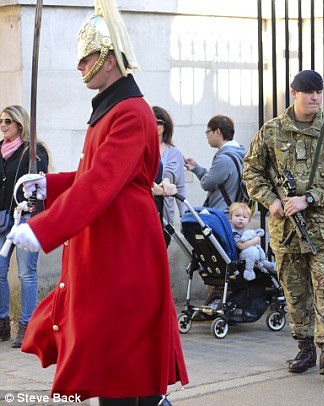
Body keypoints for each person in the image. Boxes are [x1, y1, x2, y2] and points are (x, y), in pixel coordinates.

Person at [7, 1, 188, 402]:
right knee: (111, 357)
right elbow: (95, 174)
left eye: (85, 56)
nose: (78, 64)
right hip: (110, 238)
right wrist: (48, 186)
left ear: (108, 60)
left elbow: (103, 184)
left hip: (123, 244)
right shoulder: (114, 110)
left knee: (118, 358)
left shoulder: (129, 112)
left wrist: (42, 228)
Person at [243, 70, 324, 376]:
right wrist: (271, 201)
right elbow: (252, 171)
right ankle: (304, 348)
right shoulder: (272, 130)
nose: (315, 97)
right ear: (294, 94)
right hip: (287, 230)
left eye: (319, 92)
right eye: (309, 92)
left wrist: (311, 197)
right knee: (295, 291)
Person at [0, 105, 49, 349]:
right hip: (2, 219)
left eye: (8, 121)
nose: (3, 125)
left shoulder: (34, 151)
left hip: (27, 218)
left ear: (20, 124)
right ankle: (2, 323)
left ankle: (27, 325)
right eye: (1, 121)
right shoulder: (0, 150)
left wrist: (30, 204)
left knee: (26, 273)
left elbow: (40, 184)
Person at [185, 115, 246, 215]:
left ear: (217, 132)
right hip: (235, 212)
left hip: (222, 214)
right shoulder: (240, 152)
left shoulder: (224, 159)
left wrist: (197, 170)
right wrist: (195, 168)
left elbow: (207, 183)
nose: (207, 136)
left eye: (208, 131)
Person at [153, 106, 186, 226]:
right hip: (145, 211)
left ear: (165, 125)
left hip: (166, 214)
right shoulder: (139, 150)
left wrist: (184, 216)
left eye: (158, 122)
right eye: (150, 120)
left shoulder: (175, 153)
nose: (153, 124)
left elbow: (180, 186)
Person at [229, 201, 275, 281]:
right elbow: (240, 246)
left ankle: (272, 267)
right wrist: (255, 240)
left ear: (249, 221)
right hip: (241, 259)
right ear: (230, 219)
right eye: (237, 216)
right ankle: (272, 268)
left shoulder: (240, 233)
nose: (240, 218)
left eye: (244, 217)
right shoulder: (233, 232)